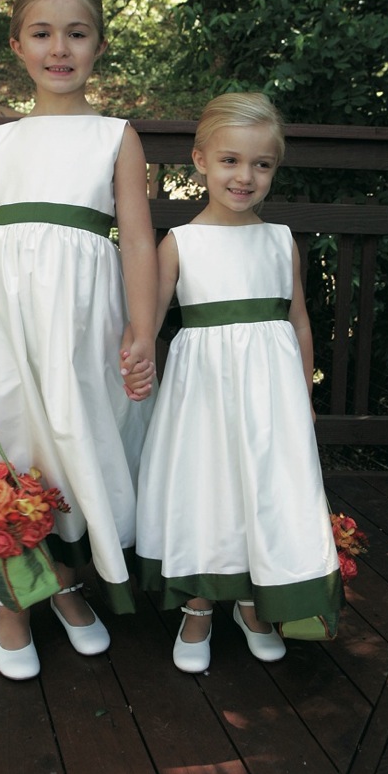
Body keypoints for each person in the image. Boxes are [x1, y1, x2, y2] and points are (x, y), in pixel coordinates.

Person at [0, 0, 157, 680]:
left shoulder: (115, 138)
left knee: (71, 449)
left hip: (80, 333)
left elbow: (137, 239)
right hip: (3, 328)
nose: (59, 47)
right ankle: (12, 603)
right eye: (42, 33)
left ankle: (64, 583)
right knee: (11, 445)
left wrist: (142, 329)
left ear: (98, 45)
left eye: (76, 33)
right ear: (17, 45)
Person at [131, 92, 342, 673]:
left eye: (261, 164)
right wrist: (137, 358)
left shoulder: (280, 241)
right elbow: (146, 322)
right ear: (200, 161)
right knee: (209, 490)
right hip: (202, 400)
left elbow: (298, 322)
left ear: (274, 169)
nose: (244, 176)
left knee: (265, 493)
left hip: (271, 402)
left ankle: (254, 601)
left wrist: (303, 394)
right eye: (229, 161)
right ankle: (198, 603)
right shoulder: (180, 243)